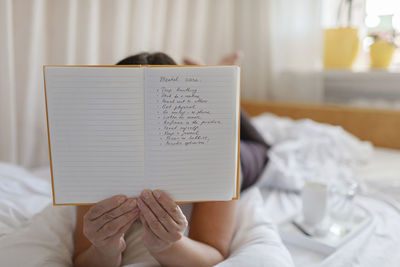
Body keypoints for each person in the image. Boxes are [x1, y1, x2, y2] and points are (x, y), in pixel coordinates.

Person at [73, 52, 269, 267]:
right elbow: (83, 258)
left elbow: (214, 252)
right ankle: (214, 82)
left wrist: (169, 246)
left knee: (263, 147)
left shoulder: (219, 157)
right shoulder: (93, 158)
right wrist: (104, 250)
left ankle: (217, 84)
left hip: (242, 154)